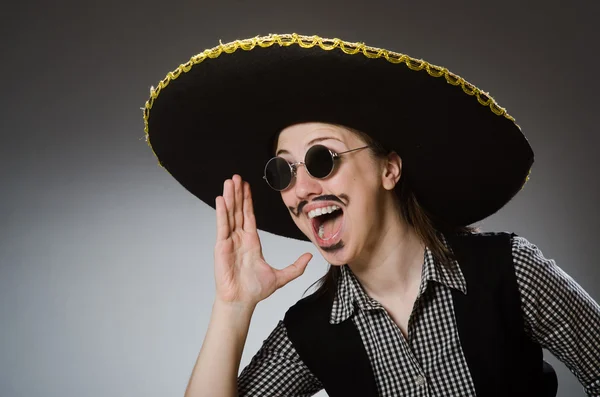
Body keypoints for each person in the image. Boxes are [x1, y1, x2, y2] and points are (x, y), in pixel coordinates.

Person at [143, 33, 600, 397]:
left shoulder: (509, 270)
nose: (301, 190)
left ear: (389, 169)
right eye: (283, 171)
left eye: (323, 160)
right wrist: (233, 306)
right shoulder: (312, 331)